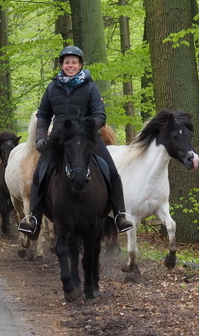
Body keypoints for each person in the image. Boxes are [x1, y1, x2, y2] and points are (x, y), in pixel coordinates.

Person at [17, 45, 133, 239]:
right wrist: (41, 137)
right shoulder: (52, 88)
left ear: (80, 65)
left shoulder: (90, 87)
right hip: (60, 138)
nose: (70, 65)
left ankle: (120, 214)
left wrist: (86, 127)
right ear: (62, 65)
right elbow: (44, 114)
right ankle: (34, 219)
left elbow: (100, 114)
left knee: (111, 170)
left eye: (74, 62)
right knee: (39, 173)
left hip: (87, 137)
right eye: (67, 62)